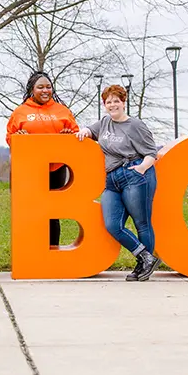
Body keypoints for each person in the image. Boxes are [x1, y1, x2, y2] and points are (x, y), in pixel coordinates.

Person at [76, 85, 160, 282]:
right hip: (112, 179)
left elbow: (151, 153)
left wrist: (140, 169)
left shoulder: (135, 125)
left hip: (135, 174)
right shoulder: (105, 122)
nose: (112, 105)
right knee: (112, 224)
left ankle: (143, 267)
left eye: (116, 101)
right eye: (108, 102)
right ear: (104, 105)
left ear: (124, 102)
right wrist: (84, 131)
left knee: (142, 223)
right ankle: (146, 257)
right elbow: (91, 130)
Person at [6, 71, 79, 246]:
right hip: (31, 169)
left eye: (48, 87)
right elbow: (10, 137)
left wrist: (68, 135)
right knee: (32, 210)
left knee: (52, 212)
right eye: (40, 87)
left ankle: (52, 251)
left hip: (56, 168)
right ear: (32, 89)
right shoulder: (20, 112)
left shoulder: (62, 110)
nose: (45, 90)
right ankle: (32, 249)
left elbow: (76, 135)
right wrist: (18, 136)